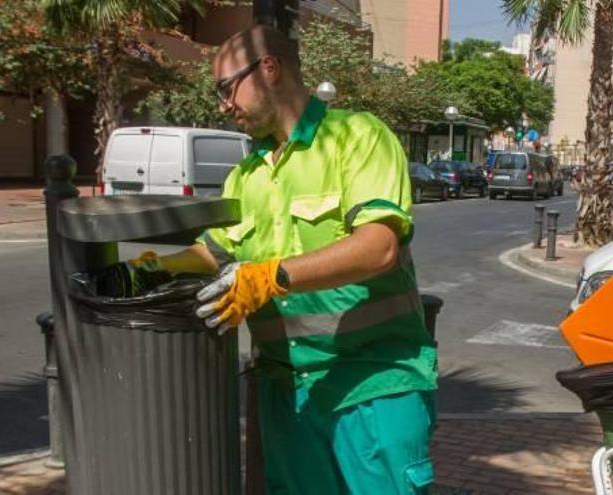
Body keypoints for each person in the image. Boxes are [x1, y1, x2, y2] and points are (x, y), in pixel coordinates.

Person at [126, 25, 437, 494]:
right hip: (287, 396)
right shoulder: (245, 176)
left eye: (226, 88)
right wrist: (141, 262)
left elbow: (380, 246)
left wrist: (272, 276)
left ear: (268, 68)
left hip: (373, 386)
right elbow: (214, 254)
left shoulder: (357, 137)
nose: (222, 105)